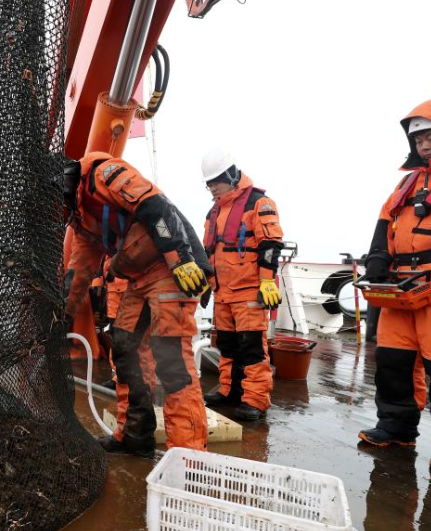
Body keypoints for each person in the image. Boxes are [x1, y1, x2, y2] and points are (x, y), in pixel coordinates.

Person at [64, 152, 212, 457]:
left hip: (170, 267)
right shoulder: (82, 219)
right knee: (124, 345)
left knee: (171, 357)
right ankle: (136, 434)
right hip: (139, 277)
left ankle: (188, 456)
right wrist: (62, 317)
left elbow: (154, 206)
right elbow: (79, 272)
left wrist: (180, 258)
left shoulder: (104, 174)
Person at [358, 96, 431, 473]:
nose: (424, 145)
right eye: (418, 139)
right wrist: (377, 259)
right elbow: (385, 222)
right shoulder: (408, 182)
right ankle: (396, 427)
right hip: (401, 286)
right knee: (392, 361)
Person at [200, 149, 284, 422]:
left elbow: (270, 244)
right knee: (226, 345)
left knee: (252, 347)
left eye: (216, 181)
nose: (213, 187)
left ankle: (255, 399)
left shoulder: (259, 203)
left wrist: (267, 282)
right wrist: (207, 284)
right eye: (209, 183)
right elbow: (209, 250)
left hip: (248, 291)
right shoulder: (214, 212)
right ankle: (230, 390)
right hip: (222, 292)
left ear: (231, 176)